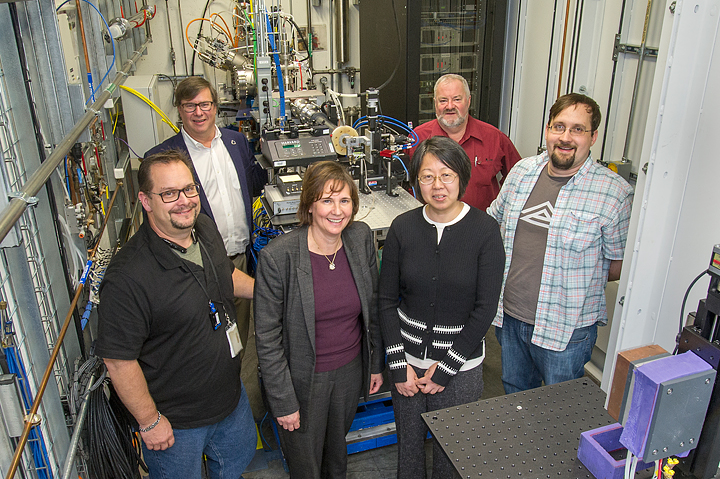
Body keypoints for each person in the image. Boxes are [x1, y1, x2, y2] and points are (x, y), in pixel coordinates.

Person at [96, 149, 257, 478]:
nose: (184, 201)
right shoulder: (128, 277)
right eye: (169, 193)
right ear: (145, 200)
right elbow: (118, 361)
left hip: (229, 397)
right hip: (176, 422)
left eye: (189, 188)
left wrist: (268, 291)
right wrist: (149, 421)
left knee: (235, 466)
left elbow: (223, 274)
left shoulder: (204, 228)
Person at [487, 93, 634, 394]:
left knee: (558, 411)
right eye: (559, 127)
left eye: (577, 129)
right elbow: (493, 222)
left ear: (593, 137)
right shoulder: (522, 172)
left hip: (567, 330)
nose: (566, 137)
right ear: (548, 130)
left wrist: (572, 277)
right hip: (510, 318)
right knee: (514, 396)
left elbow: (619, 264)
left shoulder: (614, 193)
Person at [379, 136, 505, 478]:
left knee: (452, 453)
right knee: (409, 451)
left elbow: (486, 308)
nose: (438, 186)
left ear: (462, 178)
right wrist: (397, 363)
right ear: (415, 181)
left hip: (460, 369)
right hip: (407, 365)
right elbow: (387, 301)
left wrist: (447, 366)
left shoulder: (485, 231)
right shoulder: (402, 228)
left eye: (447, 175)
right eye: (427, 176)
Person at [254, 161, 385, 478]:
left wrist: (376, 363)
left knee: (337, 454)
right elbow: (267, 340)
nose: (337, 210)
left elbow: (373, 307)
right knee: (306, 465)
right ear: (309, 205)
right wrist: (284, 401)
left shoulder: (359, 237)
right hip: (302, 381)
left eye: (344, 200)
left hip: (349, 372)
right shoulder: (279, 256)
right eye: (326, 200)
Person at [145, 76, 267, 352]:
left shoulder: (237, 142)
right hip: (194, 268)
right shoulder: (163, 156)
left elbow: (255, 186)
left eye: (204, 104)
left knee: (240, 339)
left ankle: (239, 386)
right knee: (204, 342)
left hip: (240, 259)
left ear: (214, 106)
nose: (198, 112)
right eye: (190, 106)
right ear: (179, 109)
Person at [410, 74, 521, 211]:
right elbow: (405, 184)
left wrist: (503, 209)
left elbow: (520, 179)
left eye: (457, 99)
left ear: (468, 101)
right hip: (431, 225)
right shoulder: (417, 138)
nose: (450, 106)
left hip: (480, 226)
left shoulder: (494, 138)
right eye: (443, 100)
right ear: (435, 103)